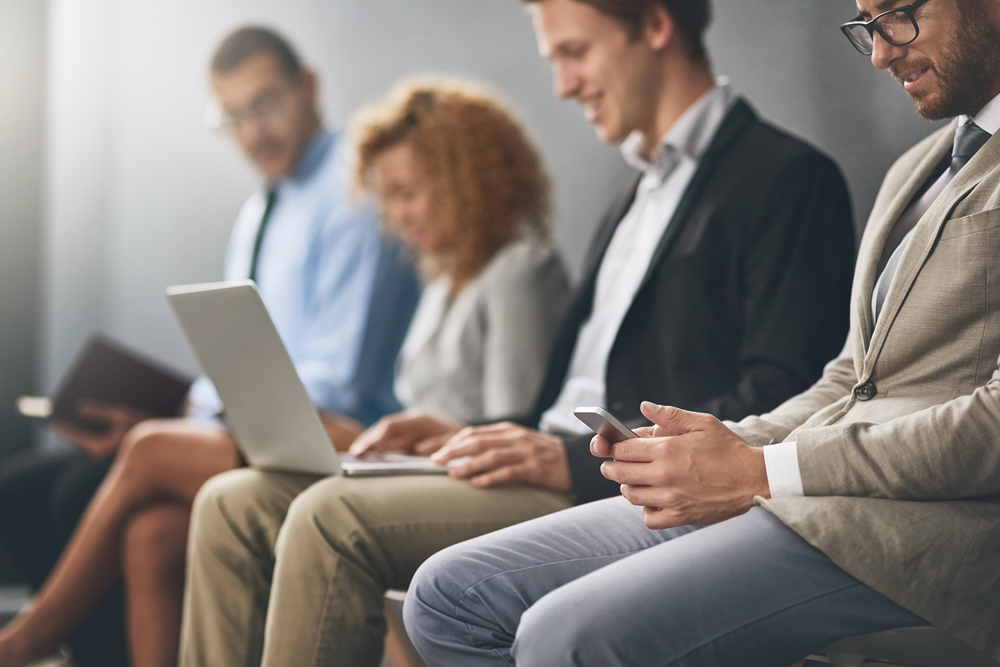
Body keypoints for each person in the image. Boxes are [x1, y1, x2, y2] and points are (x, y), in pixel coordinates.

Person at [178, 0, 856, 664]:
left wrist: (564, 454)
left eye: (575, 52)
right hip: (556, 458)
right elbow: (557, 401)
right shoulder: (633, 199)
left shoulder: (788, 179)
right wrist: (464, 431)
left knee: (330, 519)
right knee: (232, 500)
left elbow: (780, 400)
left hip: (607, 484)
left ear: (654, 24)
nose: (562, 85)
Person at [404, 0, 1000, 663]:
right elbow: (850, 377)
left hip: (931, 522)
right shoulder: (914, 171)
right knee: (445, 595)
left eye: (900, 15)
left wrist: (761, 468)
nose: (882, 52)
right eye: (868, 24)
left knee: (564, 635)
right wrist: (726, 446)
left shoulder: (785, 178)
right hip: (817, 489)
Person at [0, 26, 420, 667]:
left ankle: (32, 636)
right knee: (152, 535)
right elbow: (241, 359)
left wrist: (186, 424)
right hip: (266, 430)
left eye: (267, 104)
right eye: (233, 116)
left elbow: (334, 380)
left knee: (145, 450)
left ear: (307, 86)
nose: (254, 131)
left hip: (340, 435)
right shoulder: (263, 209)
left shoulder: (353, 191)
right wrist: (186, 409)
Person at [354, 79, 569, 425]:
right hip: (435, 470)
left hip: (483, 475)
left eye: (407, 194)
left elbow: (514, 432)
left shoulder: (520, 271)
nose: (397, 216)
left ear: (467, 184)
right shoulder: (442, 285)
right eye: (388, 199)